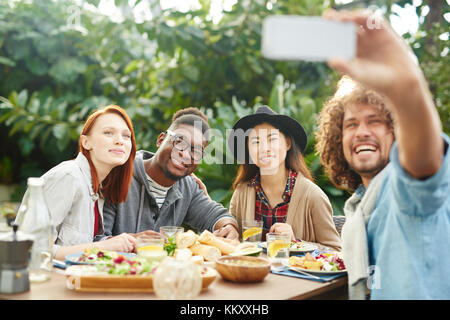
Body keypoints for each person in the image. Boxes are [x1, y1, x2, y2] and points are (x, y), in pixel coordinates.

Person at [315, 9, 449, 299]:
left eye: (375, 121)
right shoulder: (358, 206)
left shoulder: (404, 188)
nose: (361, 131)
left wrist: (407, 90)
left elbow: (423, 165)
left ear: (397, 133)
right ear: (338, 140)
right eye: (351, 124)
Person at [18, 105, 138, 260]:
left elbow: (80, 246)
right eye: (108, 132)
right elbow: (28, 247)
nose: (120, 141)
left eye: (126, 136)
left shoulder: (98, 187)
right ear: (86, 142)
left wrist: (122, 242)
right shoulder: (68, 177)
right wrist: (102, 247)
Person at [102, 107, 240, 240]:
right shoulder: (118, 174)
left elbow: (216, 216)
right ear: (161, 140)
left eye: (195, 151)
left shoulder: (188, 187)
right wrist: (133, 241)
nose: (185, 154)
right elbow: (95, 240)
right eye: (179, 141)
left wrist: (228, 227)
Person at [228, 105, 341, 251]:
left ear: (288, 143)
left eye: (272, 139)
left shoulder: (312, 195)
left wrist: (296, 242)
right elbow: (232, 240)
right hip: (252, 272)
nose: (264, 148)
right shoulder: (242, 192)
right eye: (256, 142)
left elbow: (336, 251)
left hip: (293, 274)